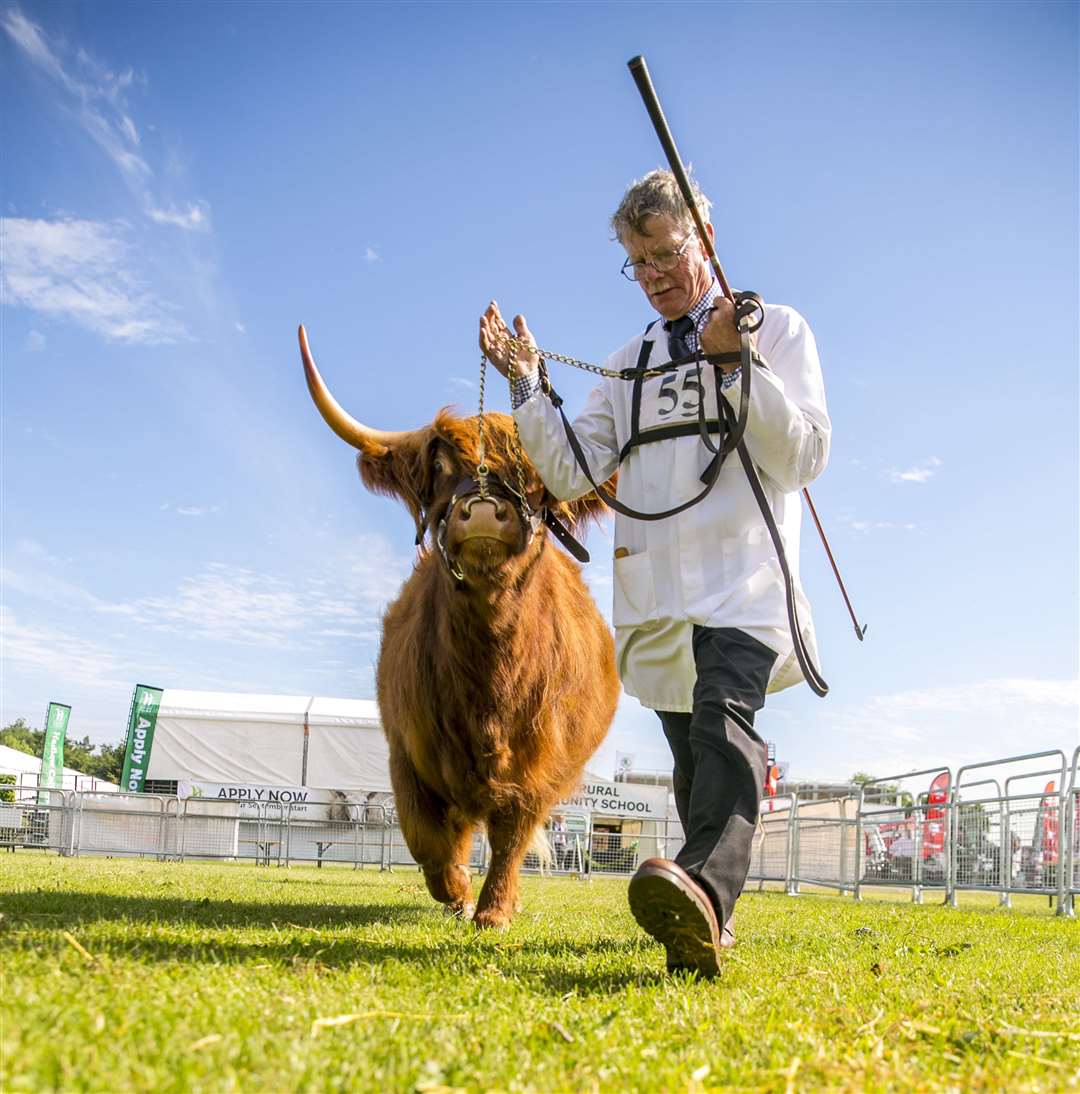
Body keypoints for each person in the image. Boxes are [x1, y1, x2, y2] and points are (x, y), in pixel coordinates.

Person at [479, 169, 830, 977]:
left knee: (723, 725)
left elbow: (805, 454)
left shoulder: (775, 330)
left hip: (745, 582)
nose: (657, 275)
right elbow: (570, 471)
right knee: (692, 756)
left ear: (704, 240)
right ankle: (705, 920)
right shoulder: (624, 362)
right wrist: (529, 383)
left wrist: (739, 367)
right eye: (640, 263)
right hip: (658, 593)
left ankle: (702, 892)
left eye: (669, 254)